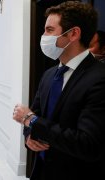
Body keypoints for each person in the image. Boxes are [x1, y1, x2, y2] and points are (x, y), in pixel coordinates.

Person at [12, 2, 105, 180]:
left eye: (49, 30)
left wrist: (30, 121)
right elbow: (36, 114)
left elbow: (88, 143)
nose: (43, 36)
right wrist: (29, 135)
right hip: (41, 170)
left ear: (73, 34)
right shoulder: (49, 74)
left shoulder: (99, 79)